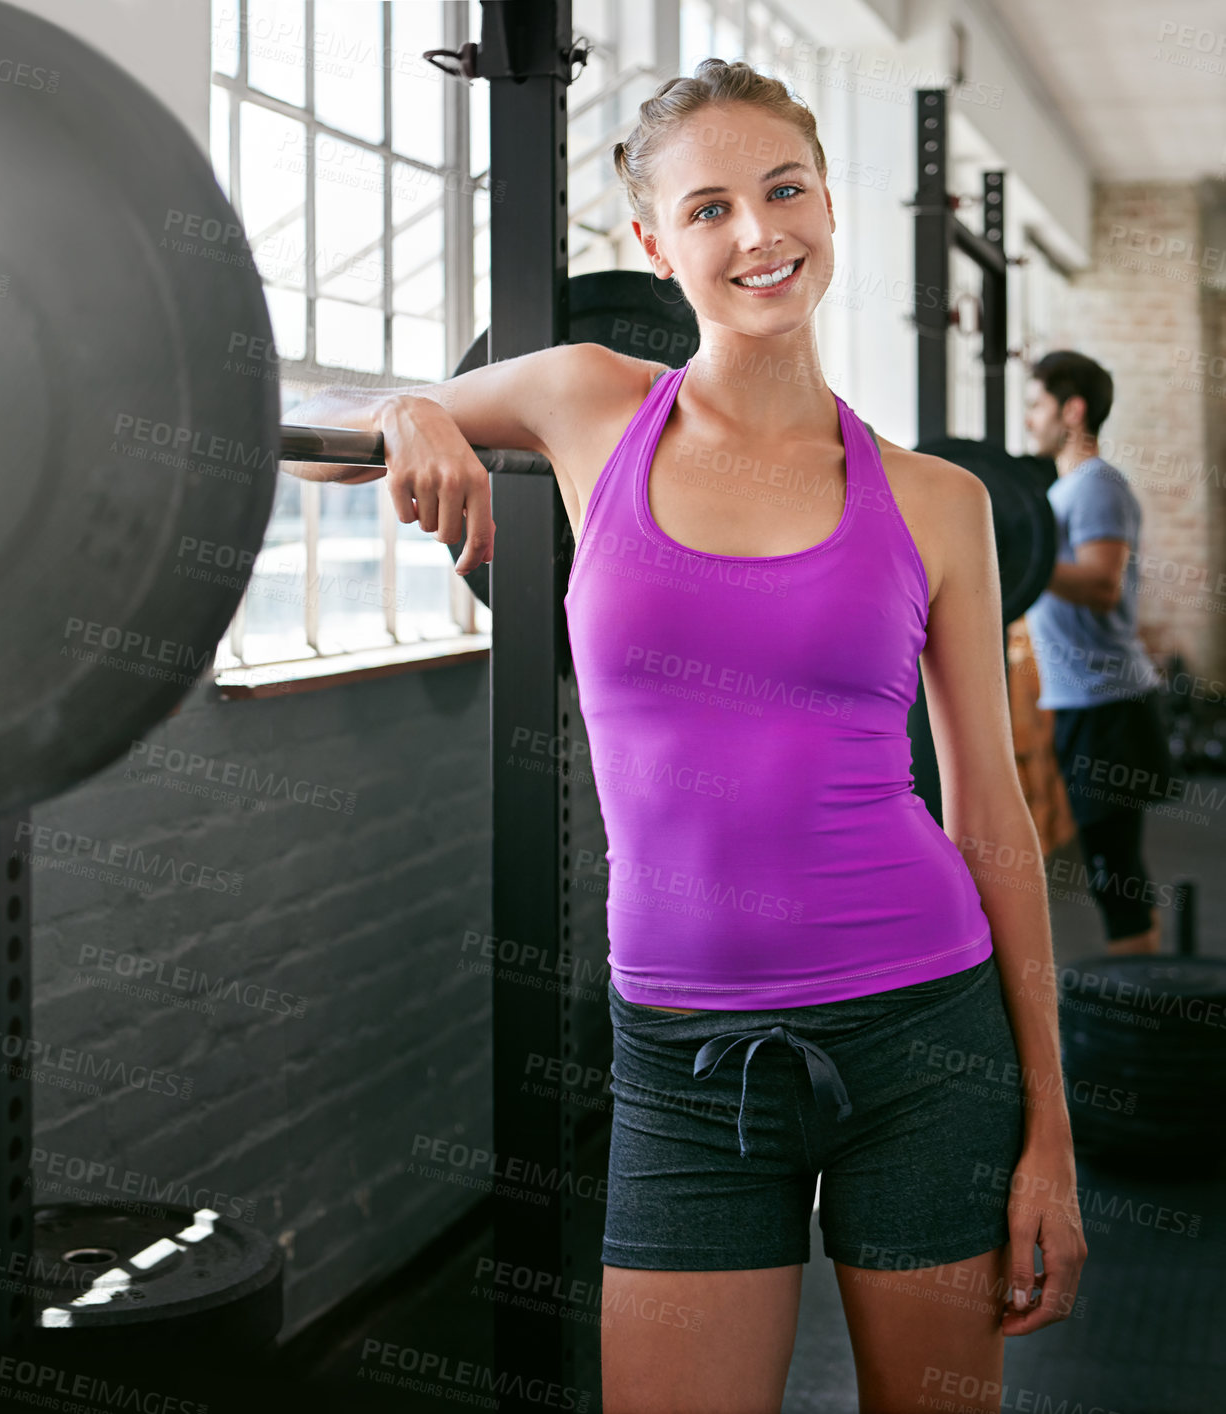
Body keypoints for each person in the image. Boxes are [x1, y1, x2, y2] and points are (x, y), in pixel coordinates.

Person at [282, 57, 1086, 1414]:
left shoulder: (935, 501)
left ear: (828, 204)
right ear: (652, 244)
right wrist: (412, 407)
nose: (757, 233)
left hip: (923, 1035)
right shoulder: (588, 402)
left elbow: (989, 818)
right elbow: (313, 443)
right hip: (677, 1055)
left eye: (782, 191)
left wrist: (1050, 1138)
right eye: (708, 207)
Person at [1022, 351, 1173, 956]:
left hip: (1108, 704)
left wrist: (1022, 561)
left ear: (1072, 410)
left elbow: (1102, 584)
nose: (1029, 419)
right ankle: (1143, 1003)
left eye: (1036, 405)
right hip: (1086, 699)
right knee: (1111, 864)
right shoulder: (1068, 487)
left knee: (1114, 869)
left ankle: (1141, 1024)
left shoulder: (1096, 485)